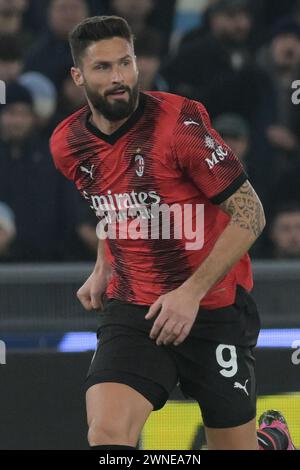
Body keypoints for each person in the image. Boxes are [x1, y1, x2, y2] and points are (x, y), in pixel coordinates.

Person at [49, 15, 295, 451]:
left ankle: (270, 440)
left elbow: (251, 213)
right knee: (108, 440)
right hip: (135, 309)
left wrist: (190, 293)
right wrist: (104, 263)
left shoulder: (178, 126)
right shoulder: (67, 143)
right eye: (103, 68)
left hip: (213, 308)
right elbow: (110, 197)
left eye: (125, 63)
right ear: (78, 75)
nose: (119, 77)